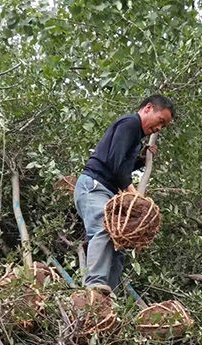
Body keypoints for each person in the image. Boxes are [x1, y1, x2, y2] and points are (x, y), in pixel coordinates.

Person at [74, 94, 175, 294]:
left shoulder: (136, 136)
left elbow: (122, 164)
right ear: (148, 108)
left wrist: (141, 159)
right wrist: (132, 193)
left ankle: (108, 296)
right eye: (160, 121)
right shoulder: (130, 123)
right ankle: (93, 286)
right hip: (94, 186)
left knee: (119, 243)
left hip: (105, 191)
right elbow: (114, 162)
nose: (158, 129)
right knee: (105, 228)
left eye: (163, 127)